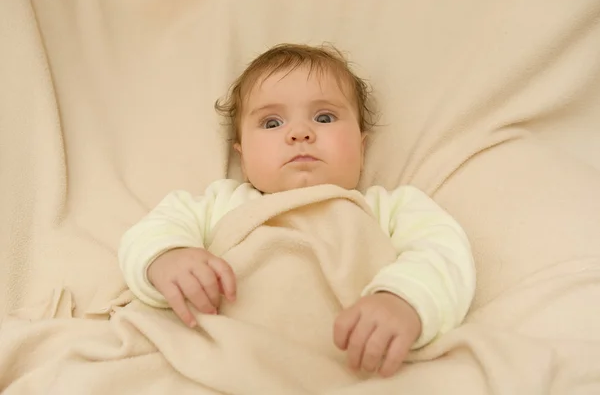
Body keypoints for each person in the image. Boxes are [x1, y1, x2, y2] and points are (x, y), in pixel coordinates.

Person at [118, 43, 476, 378]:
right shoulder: (221, 203)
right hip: (216, 360)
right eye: (272, 123)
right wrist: (168, 257)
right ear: (242, 156)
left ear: (361, 146)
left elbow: (443, 252)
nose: (300, 133)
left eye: (324, 117)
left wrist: (402, 300)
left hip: (350, 364)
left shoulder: (387, 208)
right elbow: (153, 230)